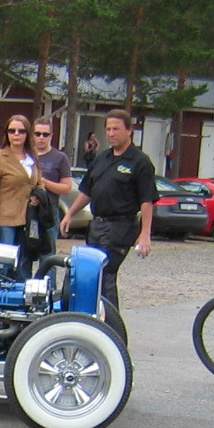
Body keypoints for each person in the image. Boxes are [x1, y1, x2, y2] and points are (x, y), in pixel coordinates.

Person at [60, 110, 156, 307]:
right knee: (89, 274)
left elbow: (147, 200)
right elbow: (87, 190)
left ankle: (111, 327)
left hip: (120, 227)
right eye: (108, 129)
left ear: (129, 131)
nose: (111, 133)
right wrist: (70, 214)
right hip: (97, 225)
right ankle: (89, 318)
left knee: (105, 274)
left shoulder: (139, 161)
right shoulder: (102, 158)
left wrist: (145, 234)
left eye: (116, 129)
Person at [0, 115, 42, 259]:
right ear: (6, 134)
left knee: (23, 263)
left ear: (28, 134)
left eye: (21, 131)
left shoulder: (32, 157)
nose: (16, 134)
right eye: (12, 131)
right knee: (5, 262)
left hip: (27, 219)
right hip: (4, 220)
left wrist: (39, 197)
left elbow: (39, 182)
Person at [29, 117, 74, 264]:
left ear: (51, 136)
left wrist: (44, 182)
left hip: (48, 211)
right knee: (24, 253)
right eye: (37, 134)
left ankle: (49, 285)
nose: (41, 137)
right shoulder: (26, 155)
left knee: (48, 256)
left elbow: (67, 187)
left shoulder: (60, 158)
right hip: (26, 210)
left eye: (45, 134)